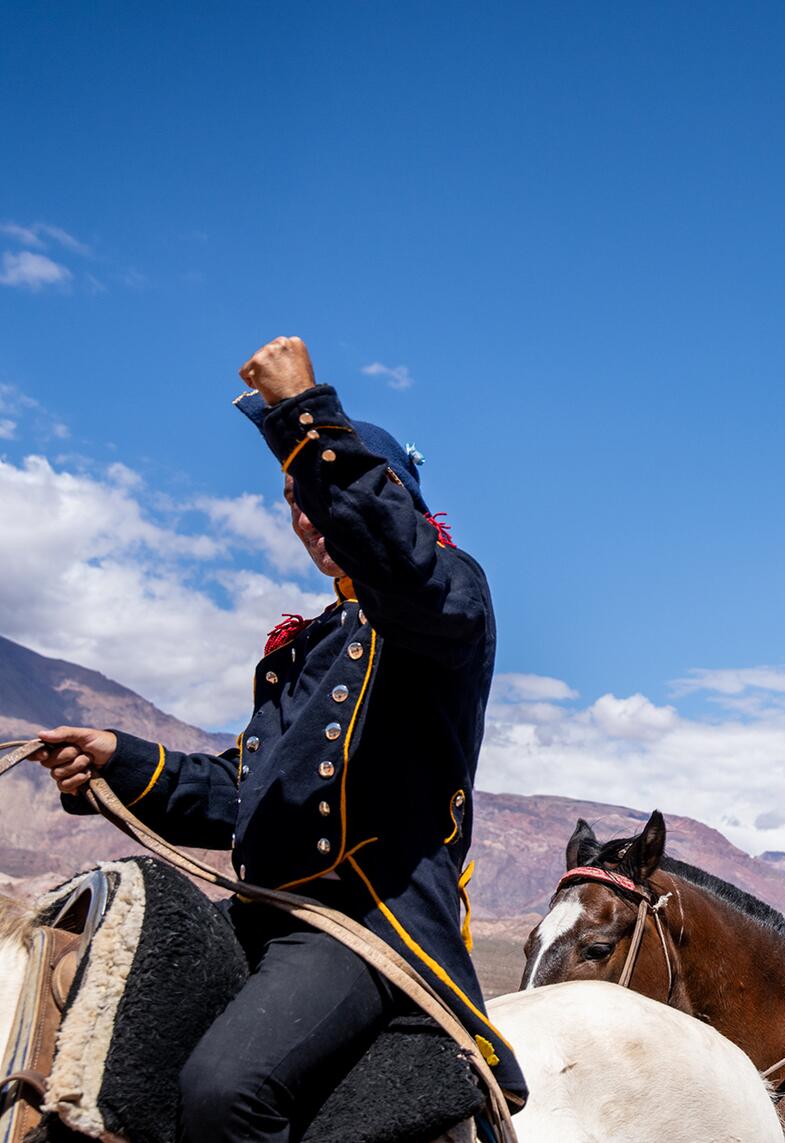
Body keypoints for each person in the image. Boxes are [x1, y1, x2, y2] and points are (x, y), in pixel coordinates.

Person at [28, 336, 526, 1141]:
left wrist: (306, 416)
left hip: (365, 925)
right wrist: (123, 760)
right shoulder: (307, 647)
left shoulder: (444, 603)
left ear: (394, 495)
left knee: (228, 1091)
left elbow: (400, 561)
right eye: (295, 498)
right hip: (267, 910)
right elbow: (246, 795)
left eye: (321, 490)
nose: (309, 513)